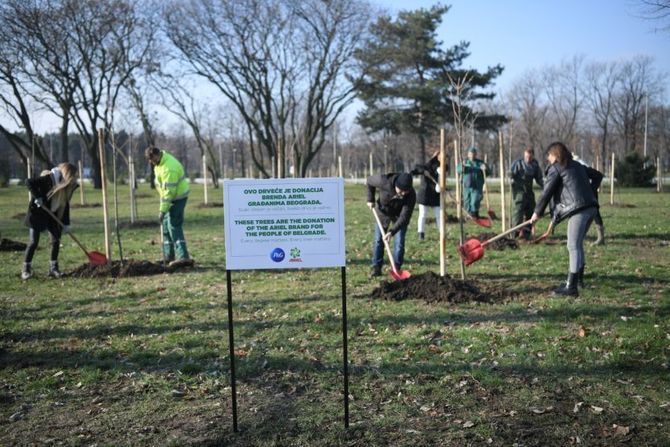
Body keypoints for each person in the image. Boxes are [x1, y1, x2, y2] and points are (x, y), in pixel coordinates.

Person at [531, 142, 600, 296]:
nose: (548, 159)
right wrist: (590, 190)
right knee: (578, 244)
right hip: (591, 208)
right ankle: (579, 281)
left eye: (548, 155)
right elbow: (598, 175)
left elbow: (546, 192)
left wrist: (536, 213)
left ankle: (571, 287)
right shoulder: (578, 165)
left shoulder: (556, 168)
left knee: (572, 245)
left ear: (555, 155)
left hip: (580, 211)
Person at [21, 163, 79, 279]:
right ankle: (26, 269)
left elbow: (65, 204)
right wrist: (38, 197)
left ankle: (53, 269)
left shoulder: (68, 185)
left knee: (56, 241)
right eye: (73, 175)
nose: (75, 178)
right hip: (37, 213)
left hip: (53, 215)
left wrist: (66, 224)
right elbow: (29, 182)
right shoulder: (49, 178)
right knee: (33, 242)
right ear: (67, 174)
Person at [145, 146, 193, 267]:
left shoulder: (168, 168)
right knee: (165, 227)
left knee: (174, 225)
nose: (151, 163)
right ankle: (168, 256)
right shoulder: (160, 163)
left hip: (177, 198)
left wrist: (162, 210)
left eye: (151, 160)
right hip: (169, 198)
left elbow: (168, 192)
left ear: (156, 155)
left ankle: (183, 256)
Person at [366, 172, 416, 278]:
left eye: (405, 191)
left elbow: (404, 217)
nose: (402, 194)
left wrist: (392, 232)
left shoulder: (411, 195)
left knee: (399, 243)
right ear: (396, 185)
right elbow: (369, 180)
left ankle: (396, 268)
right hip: (383, 213)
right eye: (400, 190)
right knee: (378, 240)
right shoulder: (384, 181)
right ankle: (376, 267)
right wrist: (370, 199)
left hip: (399, 218)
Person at [510, 148, 544, 239]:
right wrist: (511, 176)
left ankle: (526, 233)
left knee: (531, 213)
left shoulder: (535, 165)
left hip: (529, 192)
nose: (528, 158)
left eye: (530, 157)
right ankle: (515, 234)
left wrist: (546, 187)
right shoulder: (518, 163)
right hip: (519, 192)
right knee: (518, 213)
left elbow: (539, 179)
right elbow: (510, 174)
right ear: (524, 155)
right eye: (526, 156)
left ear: (533, 156)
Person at [573, 154, 606, 245]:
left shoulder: (582, 168)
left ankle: (601, 238)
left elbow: (598, 175)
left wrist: (592, 188)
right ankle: (577, 237)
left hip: (590, 195)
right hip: (580, 196)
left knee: (595, 214)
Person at [412, 149, 444, 241]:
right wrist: (423, 171)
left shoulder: (443, 167)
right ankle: (421, 233)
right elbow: (417, 168)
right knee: (423, 215)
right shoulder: (428, 165)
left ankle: (442, 234)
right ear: (437, 156)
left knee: (439, 215)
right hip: (425, 194)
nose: (444, 158)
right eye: (442, 156)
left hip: (436, 195)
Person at [456, 147, 491, 219]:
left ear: (476, 154)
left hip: (477, 185)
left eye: (473, 153)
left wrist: (486, 168)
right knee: (466, 200)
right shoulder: (465, 162)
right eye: (470, 154)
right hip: (467, 185)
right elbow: (458, 170)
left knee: (475, 201)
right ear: (468, 154)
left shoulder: (480, 163)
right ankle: (468, 215)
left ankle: (474, 214)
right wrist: (462, 167)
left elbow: (488, 172)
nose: (472, 155)